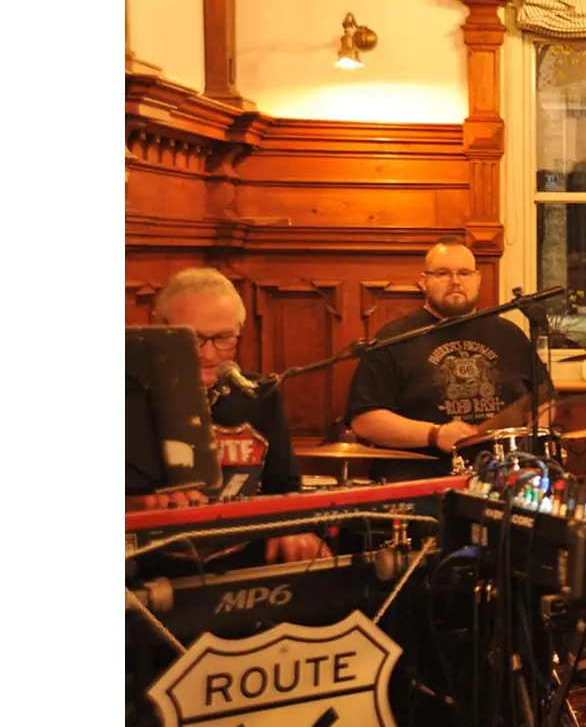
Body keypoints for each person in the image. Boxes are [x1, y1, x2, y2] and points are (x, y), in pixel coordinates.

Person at [133, 267, 327, 567]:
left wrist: (292, 528)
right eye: (193, 339)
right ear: (159, 329)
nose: (209, 354)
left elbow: (284, 488)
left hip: (242, 565)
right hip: (147, 576)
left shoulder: (258, 395)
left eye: (224, 338)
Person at [345, 239, 552, 481]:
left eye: (464, 273)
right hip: (422, 481)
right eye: (443, 273)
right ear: (423, 281)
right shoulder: (394, 338)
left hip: (503, 478)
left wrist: (532, 435)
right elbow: (364, 420)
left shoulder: (510, 335)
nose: (455, 281)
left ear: (477, 279)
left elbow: (544, 401)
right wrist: (434, 434)